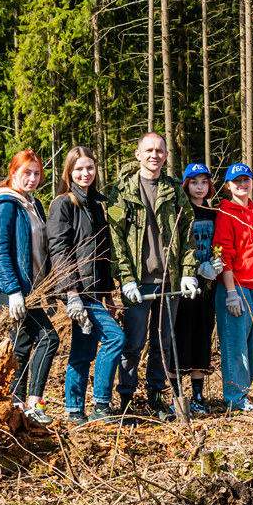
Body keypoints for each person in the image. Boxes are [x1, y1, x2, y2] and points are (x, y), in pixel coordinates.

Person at [108, 132, 199, 422]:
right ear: (138, 154)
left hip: (169, 281)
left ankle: (156, 397)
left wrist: (187, 273)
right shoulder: (122, 190)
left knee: (163, 344)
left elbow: (187, 235)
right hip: (138, 282)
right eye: (148, 150)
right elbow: (116, 238)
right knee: (133, 343)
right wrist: (126, 278)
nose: (154, 155)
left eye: (159, 150)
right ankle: (125, 397)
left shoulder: (174, 190)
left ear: (166, 156)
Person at [47, 147, 125, 425]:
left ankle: (73, 409)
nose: (85, 173)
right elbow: (59, 249)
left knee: (82, 351)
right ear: (69, 172)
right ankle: (101, 405)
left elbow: (101, 255)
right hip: (79, 291)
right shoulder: (63, 204)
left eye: (90, 168)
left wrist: (109, 295)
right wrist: (71, 293)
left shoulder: (95, 204)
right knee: (115, 339)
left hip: (95, 291)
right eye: (79, 169)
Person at [0, 149, 59, 425]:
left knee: (23, 344)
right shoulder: (5, 204)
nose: (32, 178)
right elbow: (1, 252)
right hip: (9, 288)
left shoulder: (33, 204)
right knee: (49, 339)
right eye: (26, 172)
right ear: (13, 172)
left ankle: (16, 404)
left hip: (32, 288)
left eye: (37, 174)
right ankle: (33, 404)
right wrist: (14, 291)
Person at [213, 163, 253, 412]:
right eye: (236, 181)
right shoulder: (225, 213)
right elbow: (223, 254)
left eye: (246, 179)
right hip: (236, 288)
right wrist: (230, 292)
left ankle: (244, 393)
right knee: (235, 346)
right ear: (228, 186)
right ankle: (235, 399)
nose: (242, 184)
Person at [169, 163, 223, 415]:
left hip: (208, 286)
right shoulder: (179, 212)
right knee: (180, 337)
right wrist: (188, 270)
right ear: (186, 184)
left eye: (204, 182)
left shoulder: (215, 213)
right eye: (194, 182)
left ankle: (199, 396)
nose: (199, 187)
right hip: (183, 284)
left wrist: (217, 263)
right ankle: (176, 396)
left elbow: (221, 243)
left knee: (203, 337)